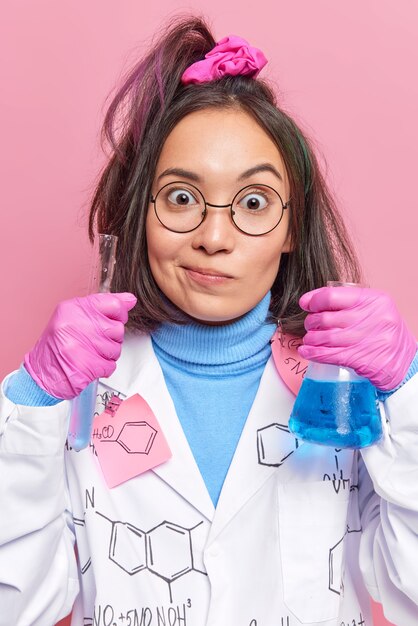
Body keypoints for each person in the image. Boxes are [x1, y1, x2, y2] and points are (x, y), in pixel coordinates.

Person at [0, 15, 417, 626]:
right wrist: (30, 400)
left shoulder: (343, 387)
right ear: (139, 213)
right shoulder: (79, 391)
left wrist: (408, 390)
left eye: (252, 202)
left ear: (292, 226)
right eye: (180, 198)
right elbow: (19, 605)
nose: (213, 237)